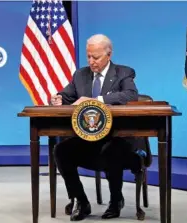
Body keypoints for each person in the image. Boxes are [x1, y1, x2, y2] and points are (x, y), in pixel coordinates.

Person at [51, 34, 143, 221]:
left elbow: (130, 95)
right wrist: (58, 98)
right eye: (88, 57)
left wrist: (96, 100)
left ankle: (116, 200)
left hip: (119, 138)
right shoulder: (80, 75)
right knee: (61, 150)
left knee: (112, 149)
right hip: (89, 137)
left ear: (108, 55)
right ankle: (81, 201)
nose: (91, 61)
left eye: (96, 57)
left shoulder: (123, 73)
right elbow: (68, 95)